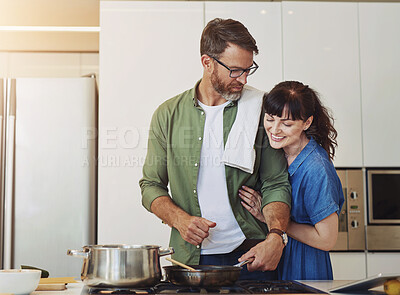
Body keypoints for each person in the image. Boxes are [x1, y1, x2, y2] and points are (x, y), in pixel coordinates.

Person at [139, 18, 292, 280]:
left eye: (248, 69)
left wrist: (276, 237)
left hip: (253, 253)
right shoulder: (168, 115)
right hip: (190, 261)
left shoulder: (260, 110)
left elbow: (276, 182)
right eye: (234, 70)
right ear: (207, 62)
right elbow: (150, 185)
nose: (243, 79)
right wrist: (180, 219)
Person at [238, 81, 344, 280]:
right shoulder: (274, 155)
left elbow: (327, 240)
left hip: (305, 268)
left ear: (307, 123)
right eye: (269, 119)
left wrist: (269, 218)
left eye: (286, 124)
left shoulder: (315, 168)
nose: (275, 129)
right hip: (277, 263)